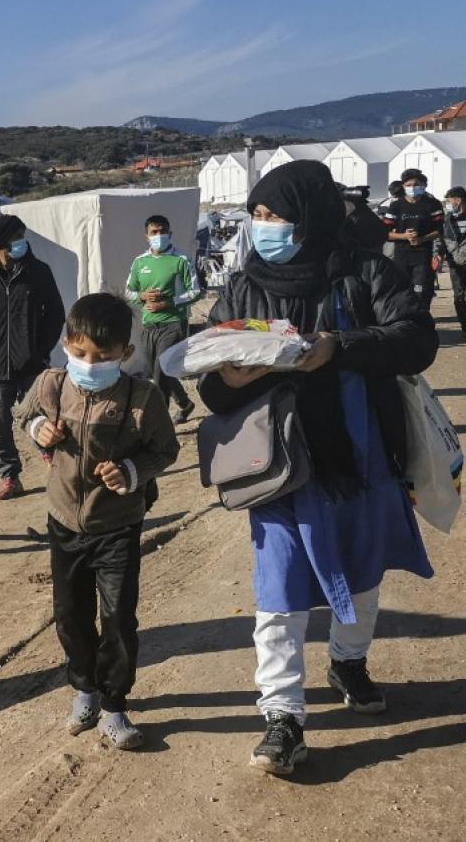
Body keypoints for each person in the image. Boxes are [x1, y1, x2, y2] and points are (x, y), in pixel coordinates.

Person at [198, 160, 437, 776]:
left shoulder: (364, 272)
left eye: (274, 215)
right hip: (277, 465)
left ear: (310, 217)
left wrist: (341, 347)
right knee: (278, 589)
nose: (263, 226)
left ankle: (348, 662)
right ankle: (282, 715)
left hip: (360, 453)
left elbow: (417, 338)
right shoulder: (243, 286)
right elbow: (212, 382)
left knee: (362, 571)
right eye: (256, 214)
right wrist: (231, 380)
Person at [20, 292, 180, 750]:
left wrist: (130, 471)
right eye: (80, 352)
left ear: (125, 353)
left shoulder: (142, 397)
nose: (89, 363)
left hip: (118, 527)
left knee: (117, 618)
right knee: (70, 616)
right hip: (63, 523)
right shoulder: (51, 384)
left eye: (102, 356)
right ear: (66, 344)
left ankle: (114, 705)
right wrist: (38, 430)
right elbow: (25, 416)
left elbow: (165, 450)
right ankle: (85, 690)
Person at [0, 214, 65, 500]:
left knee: (41, 416)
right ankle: (10, 476)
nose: (22, 242)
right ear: (0, 243)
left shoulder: (38, 272)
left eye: (22, 236)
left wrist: (40, 350)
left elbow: (55, 314)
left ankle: (53, 462)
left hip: (32, 365)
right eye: (15, 237)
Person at [125, 215, 202, 423]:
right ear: (146, 236)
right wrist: (142, 296)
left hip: (173, 323)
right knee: (160, 371)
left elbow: (195, 292)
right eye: (154, 232)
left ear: (170, 233)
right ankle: (185, 403)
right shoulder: (140, 262)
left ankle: (159, 422)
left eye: (163, 231)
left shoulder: (181, 259)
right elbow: (128, 292)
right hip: (149, 324)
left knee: (160, 371)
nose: (159, 235)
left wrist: (168, 303)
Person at [381, 168, 445, 312]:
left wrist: (422, 239)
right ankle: (406, 321)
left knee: (421, 293)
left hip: (423, 257)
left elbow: (440, 231)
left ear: (423, 185)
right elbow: (384, 233)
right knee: (402, 294)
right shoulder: (396, 206)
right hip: (401, 257)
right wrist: (404, 236)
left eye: (416, 184)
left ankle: (421, 320)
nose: (412, 188)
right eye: (408, 185)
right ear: (403, 186)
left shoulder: (432, 204)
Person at [439, 186, 466, 332]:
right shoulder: (447, 220)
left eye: (449, 200)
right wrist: (438, 254)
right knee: (459, 296)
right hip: (455, 263)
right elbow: (441, 239)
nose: (447, 204)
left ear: (458, 200)